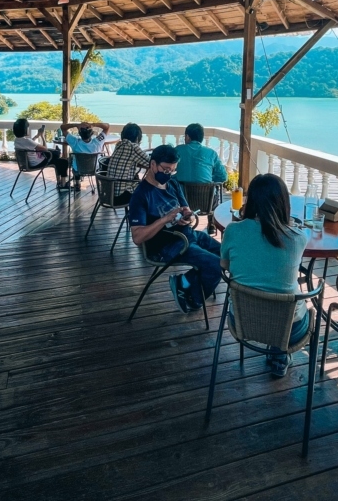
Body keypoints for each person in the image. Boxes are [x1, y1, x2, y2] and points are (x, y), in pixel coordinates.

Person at [221, 174, 309, 378]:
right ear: (284, 203)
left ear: (250, 200)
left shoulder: (233, 230)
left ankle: (277, 353)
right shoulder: (297, 238)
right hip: (289, 330)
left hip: (243, 320)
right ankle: (279, 356)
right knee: (293, 297)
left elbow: (224, 264)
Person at [129, 144, 222, 314]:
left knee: (226, 254)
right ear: (153, 165)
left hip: (187, 235)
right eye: (165, 170)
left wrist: (186, 217)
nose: (168, 174)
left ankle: (184, 282)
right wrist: (165, 219)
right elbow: (137, 237)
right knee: (216, 265)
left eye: (172, 170)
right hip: (164, 246)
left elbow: (185, 209)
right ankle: (193, 298)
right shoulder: (141, 195)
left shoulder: (172, 183)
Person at [12, 117, 69, 188]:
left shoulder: (17, 140)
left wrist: (37, 136)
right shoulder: (27, 141)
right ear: (25, 129)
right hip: (36, 163)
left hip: (27, 164)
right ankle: (63, 184)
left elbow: (29, 143)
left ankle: (60, 182)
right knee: (63, 161)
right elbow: (45, 149)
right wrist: (42, 136)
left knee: (57, 159)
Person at [105, 122, 149, 203]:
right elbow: (151, 163)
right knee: (150, 188)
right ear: (137, 137)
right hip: (121, 196)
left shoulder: (119, 144)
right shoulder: (133, 147)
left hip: (108, 194)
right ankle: (143, 214)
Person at [61, 119, 110, 190]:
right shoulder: (98, 142)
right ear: (92, 133)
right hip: (95, 170)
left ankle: (77, 184)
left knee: (75, 164)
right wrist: (93, 125)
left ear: (79, 133)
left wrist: (76, 125)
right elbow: (107, 127)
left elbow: (63, 128)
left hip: (78, 170)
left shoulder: (74, 142)